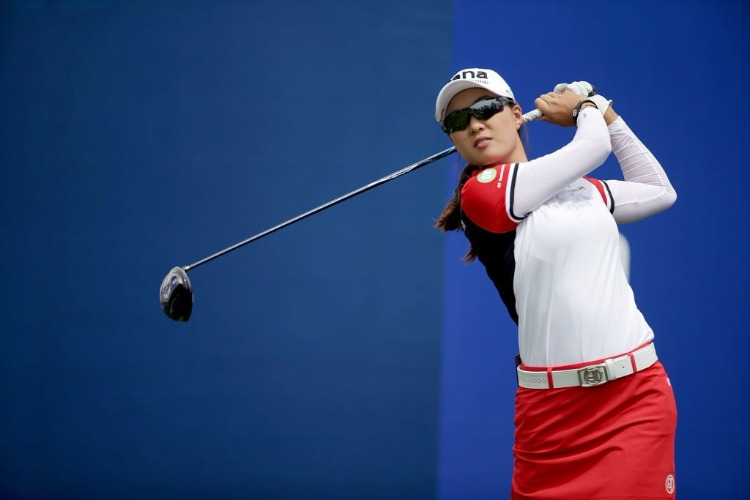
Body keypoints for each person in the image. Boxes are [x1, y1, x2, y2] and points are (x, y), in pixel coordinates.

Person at [434, 68, 678, 499]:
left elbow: (658, 190)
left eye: (486, 109)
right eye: (457, 121)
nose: (474, 124)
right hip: (551, 416)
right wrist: (586, 108)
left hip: (634, 398)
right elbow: (592, 147)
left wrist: (607, 114)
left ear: (515, 114)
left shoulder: (581, 191)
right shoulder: (482, 193)